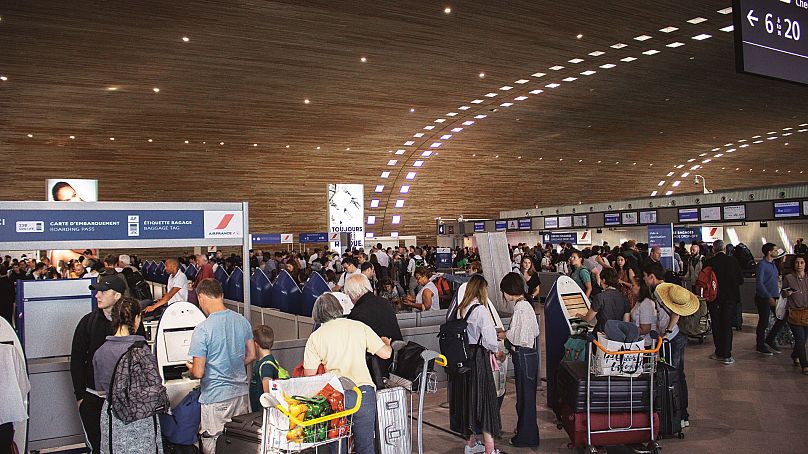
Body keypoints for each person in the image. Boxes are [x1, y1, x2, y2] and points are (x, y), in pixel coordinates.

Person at [304, 293, 393, 454]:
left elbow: (309, 376)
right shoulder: (358, 326)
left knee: (337, 446)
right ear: (338, 308)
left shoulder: (315, 337)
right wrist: (386, 343)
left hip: (336, 396)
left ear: (317, 314)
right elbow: (386, 354)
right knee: (365, 446)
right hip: (363, 393)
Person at [186, 279, 255, 454]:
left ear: (201, 298)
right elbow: (251, 355)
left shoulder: (202, 329)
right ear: (221, 295)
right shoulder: (242, 321)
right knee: (241, 444)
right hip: (241, 396)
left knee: (215, 445)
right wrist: (231, 365)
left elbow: (199, 372)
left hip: (216, 399)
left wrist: (190, 368)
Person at [92, 297, 164, 454]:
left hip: (112, 418)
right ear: (137, 319)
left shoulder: (100, 352)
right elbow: (154, 388)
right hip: (141, 418)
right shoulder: (142, 351)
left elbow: (101, 391)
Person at [447, 275, 503, 454]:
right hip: (479, 358)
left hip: (463, 358)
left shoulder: (461, 309)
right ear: (482, 290)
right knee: (485, 401)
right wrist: (497, 351)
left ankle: (470, 444)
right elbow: (490, 340)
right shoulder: (481, 311)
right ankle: (489, 449)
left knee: (468, 400)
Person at [70, 275, 126, 454]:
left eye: (103, 292)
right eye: (97, 292)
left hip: (122, 399)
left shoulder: (130, 323)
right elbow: (77, 359)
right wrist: (80, 397)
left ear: (117, 295)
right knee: (97, 446)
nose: (97, 296)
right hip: (92, 398)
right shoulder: (88, 322)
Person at [644, 262, 695, 429]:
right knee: (678, 376)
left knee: (674, 377)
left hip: (672, 338)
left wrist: (667, 331)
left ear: (651, 276)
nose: (644, 280)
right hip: (676, 337)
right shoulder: (665, 288)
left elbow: (675, 312)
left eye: (645, 276)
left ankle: (679, 415)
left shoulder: (661, 292)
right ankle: (681, 415)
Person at [498, 273, 539, 448]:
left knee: (525, 399)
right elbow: (534, 331)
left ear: (509, 290)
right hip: (529, 355)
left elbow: (517, 336)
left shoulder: (520, 307)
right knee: (526, 398)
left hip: (523, 355)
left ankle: (526, 437)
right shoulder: (526, 305)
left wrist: (505, 334)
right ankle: (526, 432)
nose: (503, 295)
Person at [345, 274, 403, 387]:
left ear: (352, 294)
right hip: (396, 360)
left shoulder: (357, 313)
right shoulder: (384, 302)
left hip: (375, 368)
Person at [704, 240, 743, 365]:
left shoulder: (709, 262)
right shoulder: (733, 261)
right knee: (727, 325)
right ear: (725, 248)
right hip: (730, 299)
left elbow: (704, 281)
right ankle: (727, 354)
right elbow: (740, 280)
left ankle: (719, 352)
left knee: (716, 324)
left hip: (714, 299)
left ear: (713, 250)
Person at [575, 268, 630, 333]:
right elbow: (626, 322)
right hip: (617, 335)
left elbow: (588, 318)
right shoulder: (624, 298)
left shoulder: (600, 297)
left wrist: (579, 315)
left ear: (604, 280)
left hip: (601, 334)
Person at [755, 243, 785, 355]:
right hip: (764, 298)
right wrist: (768, 296)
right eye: (775, 250)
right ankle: (760, 344)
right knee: (764, 321)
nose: (777, 252)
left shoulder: (772, 264)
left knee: (782, 318)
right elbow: (760, 283)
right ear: (769, 252)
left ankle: (770, 338)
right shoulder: (762, 265)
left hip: (774, 296)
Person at [781, 255, 808, 375]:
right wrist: (787, 293)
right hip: (794, 312)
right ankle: (804, 365)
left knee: (803, 339)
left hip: (806, 312)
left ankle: (795, 354)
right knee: (800, 338)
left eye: (802, 263)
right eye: (797, 262)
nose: (799, 265)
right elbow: (783, 293)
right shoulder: (789, 278)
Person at [249, 325, 285, 412]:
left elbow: (267, 395)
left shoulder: (266, 366)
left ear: (255, 344)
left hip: (262, 414)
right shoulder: (269, 361)